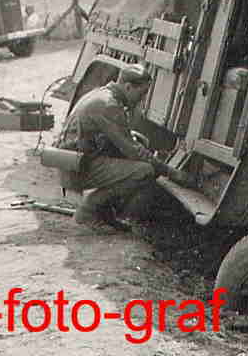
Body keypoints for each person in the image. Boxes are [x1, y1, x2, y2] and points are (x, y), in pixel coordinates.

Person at [58, 63, 195, 233]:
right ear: (128, 87)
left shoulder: (102, 94)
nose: (142, 99)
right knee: (143, 170)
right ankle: (89, 211)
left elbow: (124, 140)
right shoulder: (109, 105)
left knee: (140, 143)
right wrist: (171, 172)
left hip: (75, 160)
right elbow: (133, 151)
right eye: (141, 93)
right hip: (75, 169)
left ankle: (105, 213)